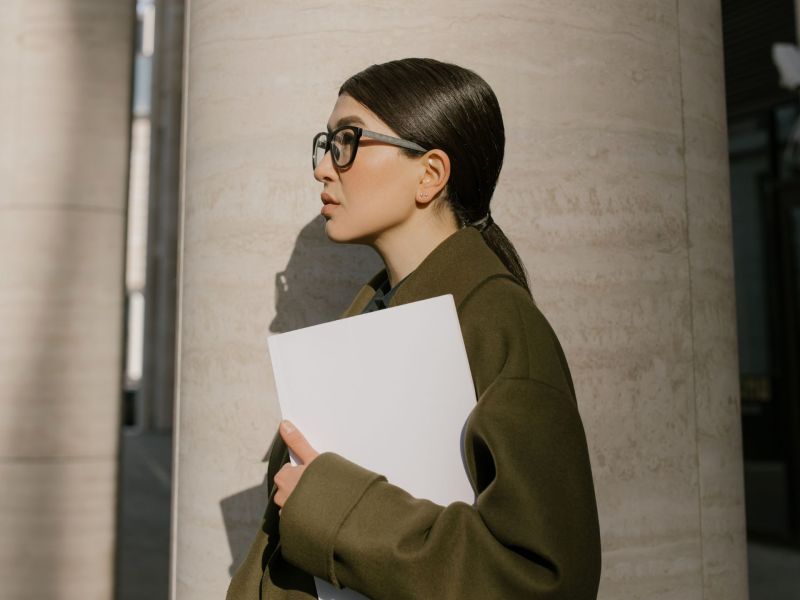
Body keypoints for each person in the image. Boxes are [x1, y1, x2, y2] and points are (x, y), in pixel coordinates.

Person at [227, 58, 601, 600]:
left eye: (347, 142)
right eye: (326, 144)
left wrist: (331, 506)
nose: (323, 168)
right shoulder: (376, 314)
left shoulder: (500, 325)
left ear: (429, 174)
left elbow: (544, 577)